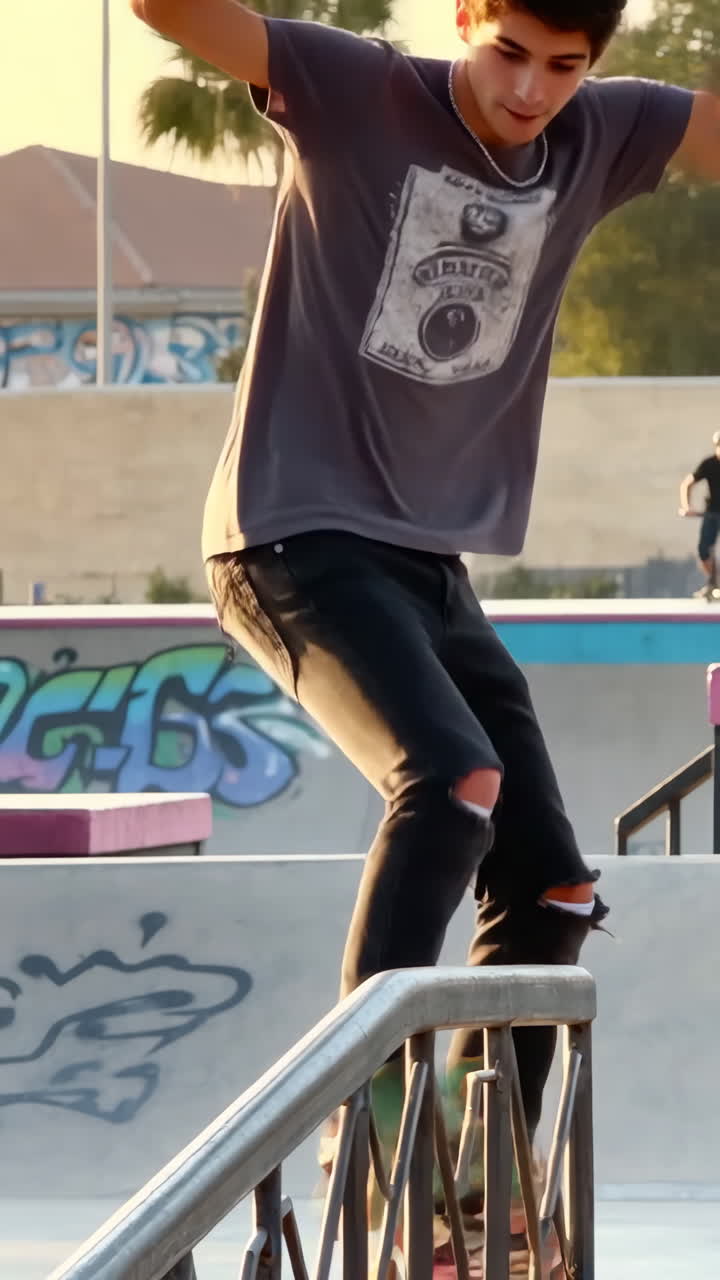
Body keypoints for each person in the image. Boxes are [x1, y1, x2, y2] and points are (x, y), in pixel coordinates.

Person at [132, 0, 717, 1267]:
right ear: (466, 19)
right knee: (451, 786)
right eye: (508, 54)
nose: (529, 93)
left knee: (553, 885)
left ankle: (461, 1181)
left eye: (565, 69)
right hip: (288, 535)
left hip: (426, 569)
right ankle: (369, 1119)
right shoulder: (353, 89)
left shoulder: (600, 136)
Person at [679, 432, 720, 601]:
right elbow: (688, 483)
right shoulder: (709, 464)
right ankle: (714, 584)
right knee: (704, 550)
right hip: (712, 512)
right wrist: (686, 506)